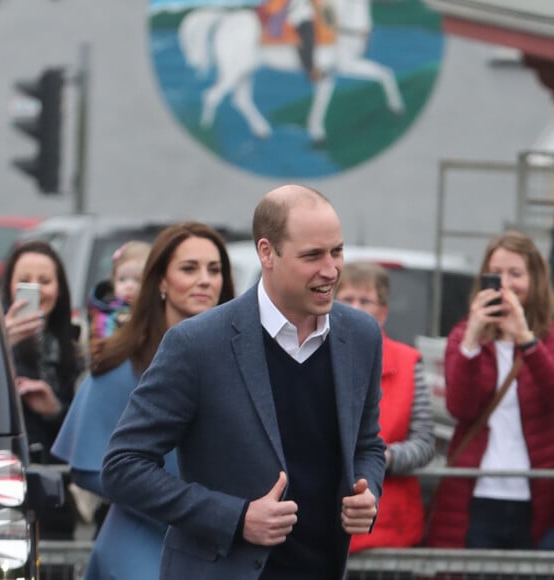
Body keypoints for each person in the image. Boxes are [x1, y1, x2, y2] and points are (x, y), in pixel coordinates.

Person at [101, 184, 386, 580]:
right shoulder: (197, 343)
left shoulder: (361, 335)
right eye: (312, 256)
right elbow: (123, 467)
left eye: (336, 251)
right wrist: (236, 518)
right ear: (267, 252)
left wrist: (367, 490)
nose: (331, 269)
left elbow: (368, 444)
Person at [51, 222, 235, 579]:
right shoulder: (120, 367)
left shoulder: (245, 362)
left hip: (220, 547)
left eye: (215, 270)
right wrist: (175, 504)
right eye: (189, 268)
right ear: (161, 282)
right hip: (139, 549)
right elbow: (88, 466)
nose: (205, 280)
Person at [426, 230, 554, 549]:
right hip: (478, 493)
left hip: (538, 493)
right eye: (496, 274)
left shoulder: (547, 338)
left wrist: (527, 340)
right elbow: (460, 407)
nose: (506, 284)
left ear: (534, 280)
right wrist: (472, 337)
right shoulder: (464, 336)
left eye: (516, 274)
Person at [335, 262, 435, 551]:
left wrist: (383, 459)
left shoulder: (407, 362)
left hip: (391, 528)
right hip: (328, 526)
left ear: (384, 311)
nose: (356, 308)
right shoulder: (315, 356)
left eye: (365, 301)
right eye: (347, 299)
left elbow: (426, 443)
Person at [1, 240, 83, 541]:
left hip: (55, 496)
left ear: (59, 288)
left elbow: (87, 433)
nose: (35, 289)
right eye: (24, 281)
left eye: (45, 281)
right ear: (8, 286)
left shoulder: (77, 348)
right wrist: (0, 346)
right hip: (2, 491)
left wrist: (55, 411)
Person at [88, 240, 151, 343]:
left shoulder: (155, 311)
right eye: (122, 279)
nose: (129, 286)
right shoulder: (105, 314)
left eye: (138, 280)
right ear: (113, 281)